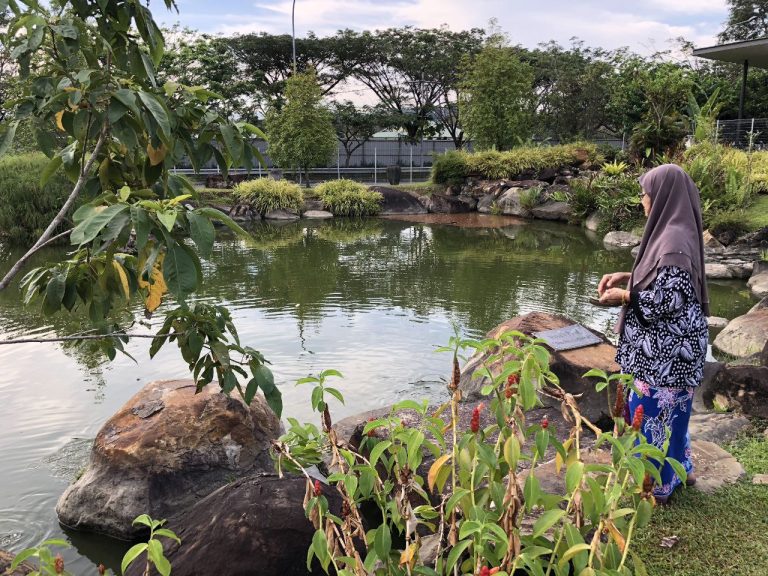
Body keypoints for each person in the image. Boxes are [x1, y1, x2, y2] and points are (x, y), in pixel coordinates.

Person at [597, 163, 709, 504]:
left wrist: (625, 296)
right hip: (669, 351)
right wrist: (627, 277)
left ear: (662, 196)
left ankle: (656, 486)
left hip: (666, 355)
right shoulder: (676, 230)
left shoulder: (673, 239)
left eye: (645, 193)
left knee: (654, 414)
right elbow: (664, 279)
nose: (642, 200)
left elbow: (669, 300)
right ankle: (681, 468)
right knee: (672, 412)